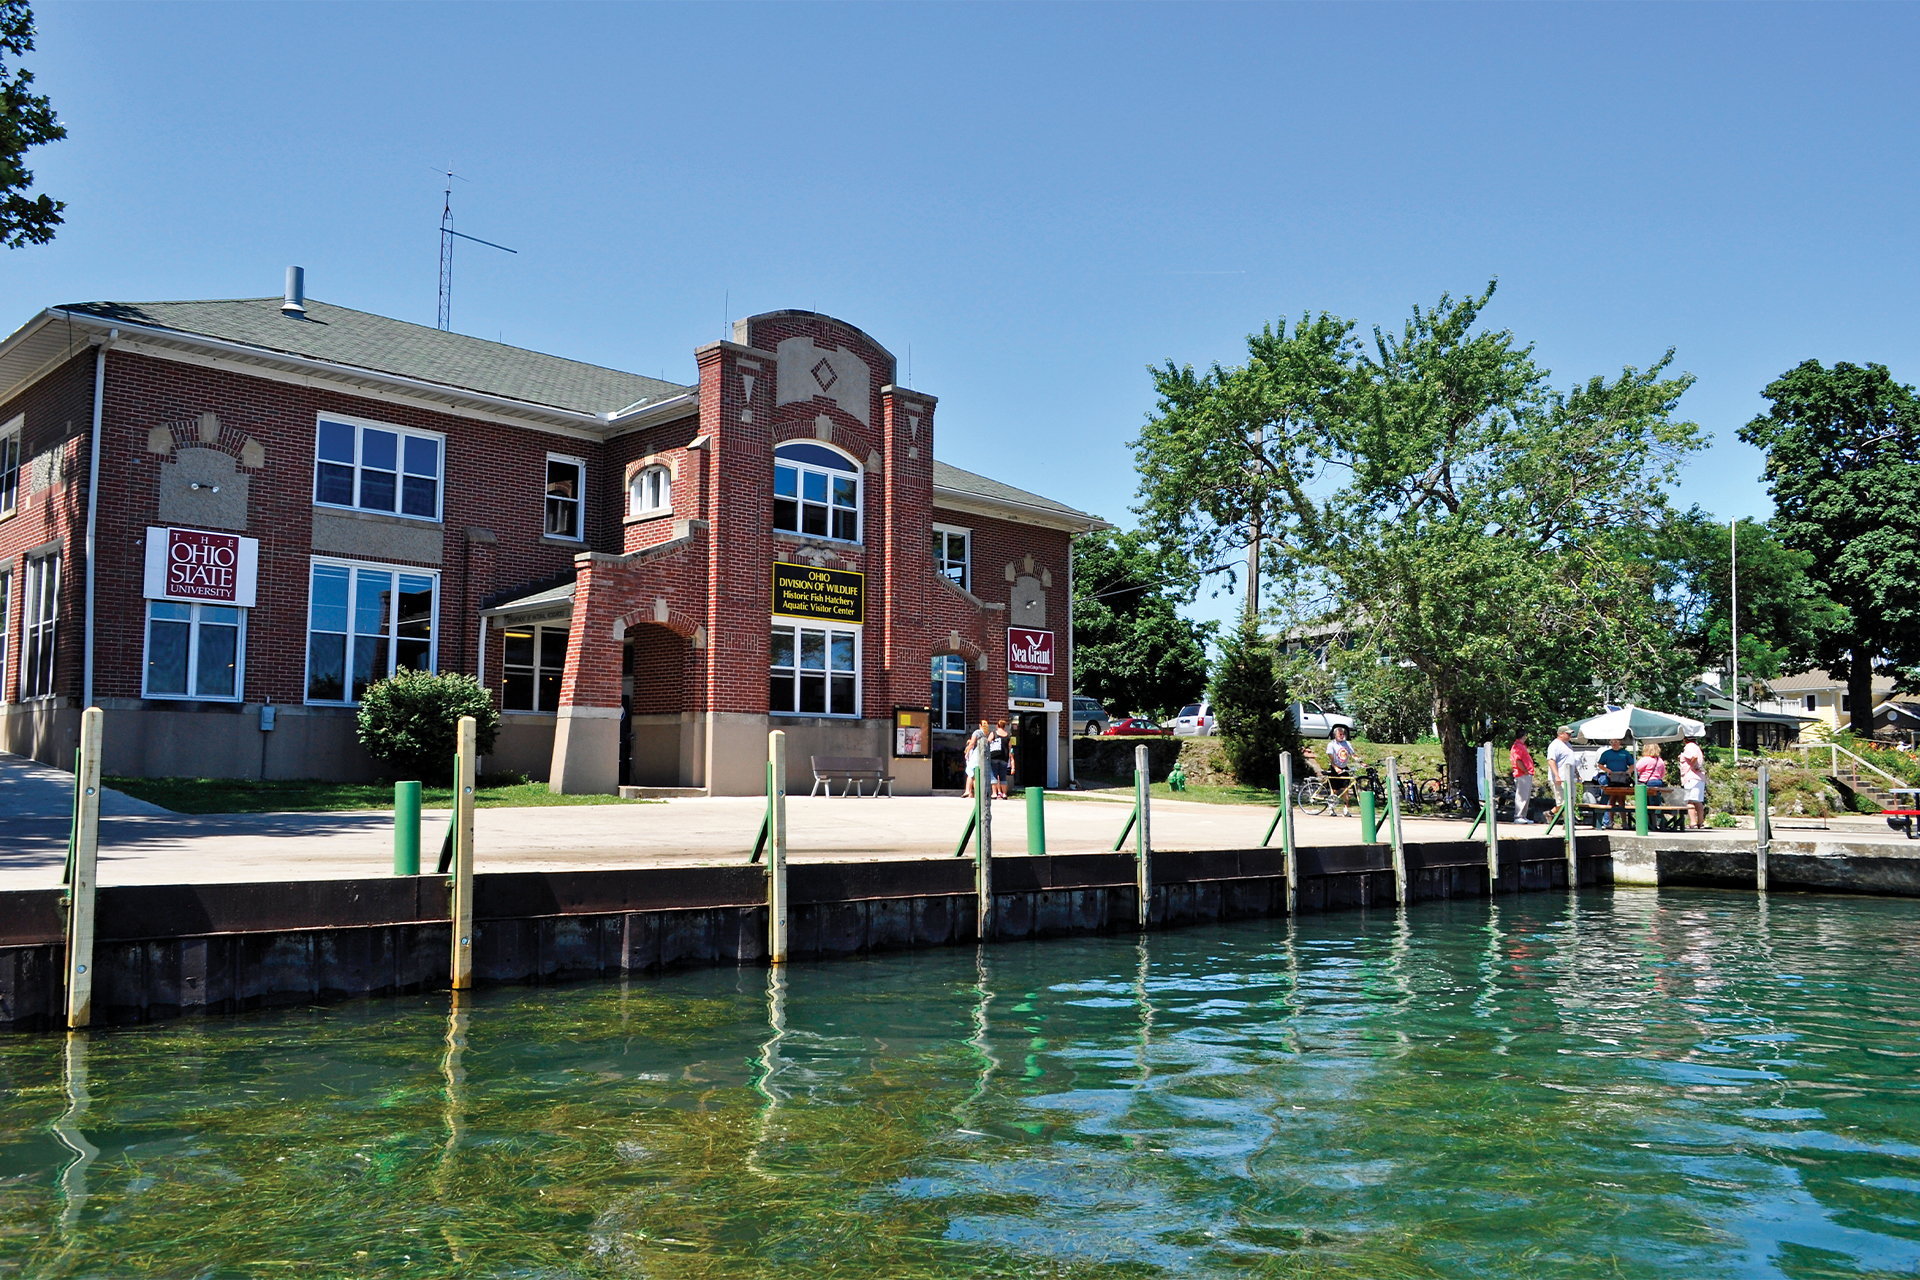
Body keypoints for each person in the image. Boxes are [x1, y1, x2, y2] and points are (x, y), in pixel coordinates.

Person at [1596, 738, 1635, 828]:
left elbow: (1632, 764)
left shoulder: (1625, 753)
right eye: (1611, 742)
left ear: (1620, 742)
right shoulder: (1607, 753)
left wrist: (1629, 771)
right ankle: (1610, 821)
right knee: (1612, 799)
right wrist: (1607, 770)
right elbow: (1600, 764)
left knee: (1621, 800)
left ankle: (1624, 822)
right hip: (1612, 778)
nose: (1614, 744)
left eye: (1616, 742)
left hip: (1622, 778)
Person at [1326, 724, 1363, 818]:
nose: (1342, 736)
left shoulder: (1347, 744)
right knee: (1334, 790)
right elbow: (1331, 759)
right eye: (1340, 734)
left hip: (1344, 767)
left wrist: (1360, 762)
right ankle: (1331, 808)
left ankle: (1346, 809)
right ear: (1335, 735)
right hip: (1335, 768)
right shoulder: (1331, 745)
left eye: (1343, 734)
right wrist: (1335, 768)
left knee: (1346, 789)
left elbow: (1353, 755)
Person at [1678, 732, 1708, 830]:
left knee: (1690, 801)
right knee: (1698, 801)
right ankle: (1700, 822)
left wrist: (1691, 766)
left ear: (1685, 739)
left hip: (1691, 777)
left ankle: (1693, 823)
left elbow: (1693, 756)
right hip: (1699, 778)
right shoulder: (1696, 747)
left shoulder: (1689, 747)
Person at [1546, 726, 1578, 821]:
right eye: (1568, 734)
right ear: (1561, 734)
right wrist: (1557, 776)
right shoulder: (1554, 745)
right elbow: (1551, 760)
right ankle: (1567, 823)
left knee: (1571, 801)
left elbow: (1571, 760)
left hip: (1570, 777)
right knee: (1563, 802)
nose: (1570, 736)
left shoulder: (1568, 745)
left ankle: (1552, 813)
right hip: (1560, 778)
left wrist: (1577, 773)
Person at [1510, 733, 1536, 823]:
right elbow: (1518, 760)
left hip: (1525, 774)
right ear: (1523, 736)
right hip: (1522, 774)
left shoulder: (1521, 746)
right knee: (1521, 795)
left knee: (1526, 796)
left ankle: (1523, 816)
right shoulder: (1517, 746)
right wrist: (1525, 771)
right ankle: (1518, 816)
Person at [988, 718, 1015, 800]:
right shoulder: (1007, 736)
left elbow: (987, 742)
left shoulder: (994, 733)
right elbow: (1010, 748)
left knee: (994, 775)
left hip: (994, 757)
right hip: (1004, 758)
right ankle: (1004, 794)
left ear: (997, 725)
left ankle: (994, 793)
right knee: (1003, 776)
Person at [963, 719, 989, 798]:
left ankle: (968, 791)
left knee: (970, 771)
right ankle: (976, 792)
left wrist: (967, 752)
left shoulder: (977, 732)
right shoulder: (985, 734)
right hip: (982, 754)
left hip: (976, 753)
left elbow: (972, 743)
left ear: (980, 725)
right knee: (975, 774)